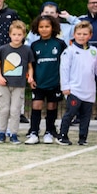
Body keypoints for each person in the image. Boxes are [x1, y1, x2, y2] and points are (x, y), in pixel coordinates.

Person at [57, 22, 97, 146]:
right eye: (79, 34)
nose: (81, 36)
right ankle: (62, 135)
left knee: (86, 116)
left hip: (89, 90)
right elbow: (64, 69)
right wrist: (65, 86)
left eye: (85, 34)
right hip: (74, 90)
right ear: (74, 34)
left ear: (90, 35)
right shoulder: (69, 51)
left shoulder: (94, 51)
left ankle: (83, 138)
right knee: (70, 113)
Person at [26, 15, 66, 145]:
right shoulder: (34, 45)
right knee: (36, 105)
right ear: (37, 28)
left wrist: (64, 81)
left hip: (55, 82)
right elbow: (31, 65)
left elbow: (66, 63)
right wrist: (30, 78)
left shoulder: (60, 44)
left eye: (47, 26)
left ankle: (49, 132)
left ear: (53, 27)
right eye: (41, 27)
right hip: (39, 82)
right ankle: (34, 132)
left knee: (52, 106)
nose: (44, 29)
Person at [0, 21, 34, 144]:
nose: (16, 37)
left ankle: (13, 133)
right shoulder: (3, 49)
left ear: (23, 35)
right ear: (10, 34)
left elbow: (30, 66)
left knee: (15, 110)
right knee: (4, 109)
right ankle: (2, 133)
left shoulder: (26, 50)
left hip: (19, 84)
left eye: (19, 34)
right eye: (14, 34)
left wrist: (30, 77)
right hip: (4, 84)